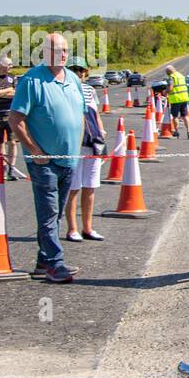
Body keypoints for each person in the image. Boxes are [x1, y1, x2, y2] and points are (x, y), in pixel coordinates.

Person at [8, 32, 85, 283]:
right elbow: (16, 119)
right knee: (49, 212)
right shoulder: (32, 81)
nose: (61, 55)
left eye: (64, 50)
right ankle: (54, 263)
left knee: (57, 212)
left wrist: (77, 148)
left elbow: (81, 116)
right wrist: (34, 150)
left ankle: (44, 260)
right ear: (44, 53)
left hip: (69, 160)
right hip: (44, 163)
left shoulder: (72, 78)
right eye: (55, 51)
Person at [63, 57, 106, 242]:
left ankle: (88, 228)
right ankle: (72, 229)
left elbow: (95, 115)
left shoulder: (90, 90)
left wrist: (102, 136)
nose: (78, 73)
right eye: (73, 69)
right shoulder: (64, 89)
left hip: (92, 143)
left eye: (80, 70)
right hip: (74, 145)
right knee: (73, 188)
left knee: (90, 187)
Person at [165, 61, 189, 138]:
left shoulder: (171, 77)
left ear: (168, 72)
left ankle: (176, 132)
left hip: (176, 99)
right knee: (185, 116)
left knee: (175, 116)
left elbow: (170, 88)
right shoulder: (181, 76)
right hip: (184, 98)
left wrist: (165, 91)